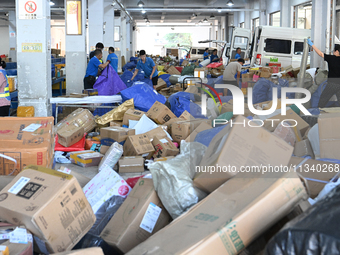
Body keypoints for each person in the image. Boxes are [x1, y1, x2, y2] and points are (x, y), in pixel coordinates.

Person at [307, 39, 340, 107]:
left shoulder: (332, 58)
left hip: (332, 84)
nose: (333, 52)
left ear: (337, 51)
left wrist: (312, 45)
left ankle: (319, 114)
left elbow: (320, 54)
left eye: (334, 50)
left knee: (323, 99)